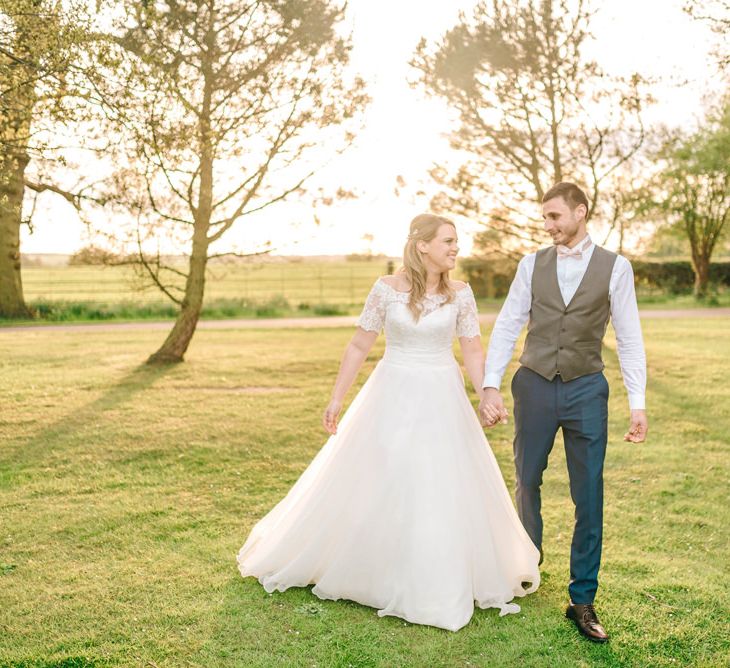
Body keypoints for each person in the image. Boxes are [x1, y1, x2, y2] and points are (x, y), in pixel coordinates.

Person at [237, 213, 540, 632]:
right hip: (392, 390)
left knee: (437, 481)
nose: (455, 248)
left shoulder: (461, 294)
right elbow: (360, 343)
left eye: (456, 241)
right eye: (448, 241)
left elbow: (471, 348)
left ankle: (434, 569)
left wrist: (486, 390)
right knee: (386, 475)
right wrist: (336, 398)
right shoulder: (386, 290)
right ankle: (375, 567)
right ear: (422, 246)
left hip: (440, 394)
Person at [479, 182, 648, 643]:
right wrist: (491, 382)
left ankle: (583, 599)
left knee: (588, 493)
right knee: (527, 478)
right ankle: (526, 563)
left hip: (586, 390)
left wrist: (638, 403)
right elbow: (509, 323)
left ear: (580, 212)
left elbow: (630, 337)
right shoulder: (531, 264)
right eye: (545, 219)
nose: (548, 225)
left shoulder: (617, 269)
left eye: (555, 216)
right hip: (533, 385)